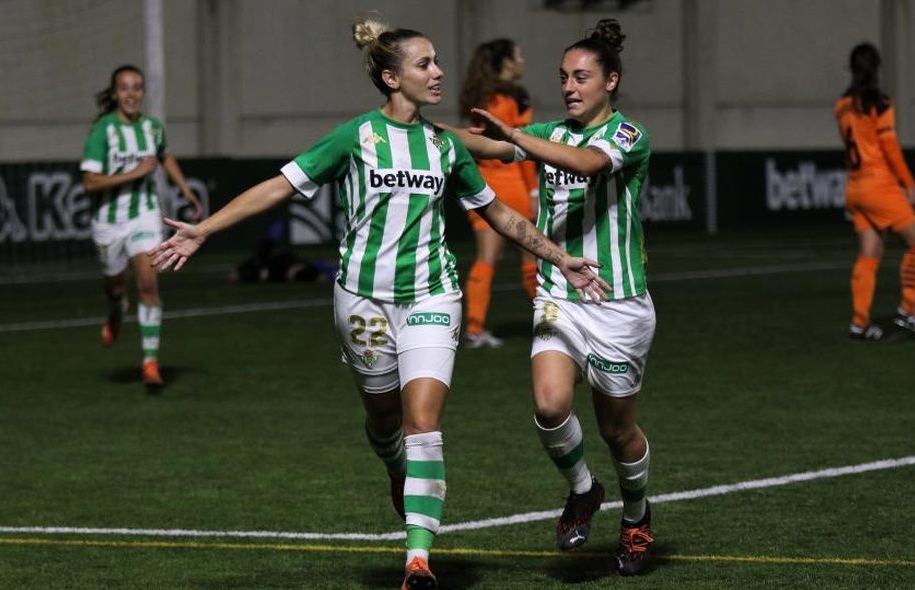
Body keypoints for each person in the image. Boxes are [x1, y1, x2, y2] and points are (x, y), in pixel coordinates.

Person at [150, 16, 608, 590]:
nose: (438, 72)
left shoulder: (444, 145)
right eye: (425, 64)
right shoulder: (354, 137)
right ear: (392, 78)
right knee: (383, 419)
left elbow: (497, 213)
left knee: (423, 422)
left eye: (437, 61)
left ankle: (417, 558)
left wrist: (557, 256)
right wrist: (204, 229)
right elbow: (278, 185)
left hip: (432, 296)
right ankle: (395, 467)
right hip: (362, 302)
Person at [451, 18, 657, 575]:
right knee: (549, 405)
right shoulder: (552, 133)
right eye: (563, 76)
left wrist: (517, 136)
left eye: (581, 77)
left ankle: (636, 518)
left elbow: (587, 164)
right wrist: (424, 132)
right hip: (559, 294)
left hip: (618, 305)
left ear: (609, 81)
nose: (569, 86)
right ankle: (584, 489)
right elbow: (488, 143)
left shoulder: (628, 136)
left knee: (618, 429)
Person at [80, 65, 204, 388]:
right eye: (124, 88)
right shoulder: (102, 131)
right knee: (116, 286)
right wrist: (135, 173)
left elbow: (164, 156)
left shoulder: (152, 128)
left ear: (143, 93)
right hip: (108, 220)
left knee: (148, 284)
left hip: (145, 214)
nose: (131, 94)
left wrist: (184, 187)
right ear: (115, 93)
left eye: (137, 87)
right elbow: (90, 182)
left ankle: (150, 362)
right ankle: (115, 309)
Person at [835, 43, 915, 341]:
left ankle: (859, 323)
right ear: (876, 69)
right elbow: (889, 149)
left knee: (871, 251)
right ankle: (908, 310)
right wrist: (909, 185)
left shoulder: (840, 106)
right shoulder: (880, 104)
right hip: (878, 184)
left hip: (854, 187)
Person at [457, 39, 540, 348]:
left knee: (486, 259)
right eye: (518, 55)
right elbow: (523, 144)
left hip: (481, 184)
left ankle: (475, 329)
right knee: (533, 254)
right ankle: (550, 322)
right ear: (506, 63)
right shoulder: (516, 96)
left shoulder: (481, 95)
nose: (522, 59)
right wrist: (533, 189)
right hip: (512, 182)